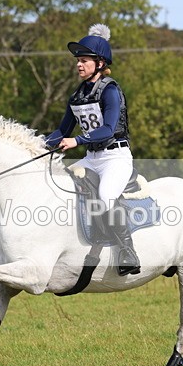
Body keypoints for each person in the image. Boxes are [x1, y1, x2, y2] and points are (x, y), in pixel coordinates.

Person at [46, 24, 140, 276]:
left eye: (84, 60)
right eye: (78, 60)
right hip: (91, 158)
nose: (78, 64)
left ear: (99, 63)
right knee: (59, 187)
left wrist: (77, 141)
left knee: (106, 195)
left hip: (115, 157)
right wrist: (37, 143)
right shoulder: (77, 96)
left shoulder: (110, 90)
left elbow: (108, 129)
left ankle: (127, 252)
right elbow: (61, 131)